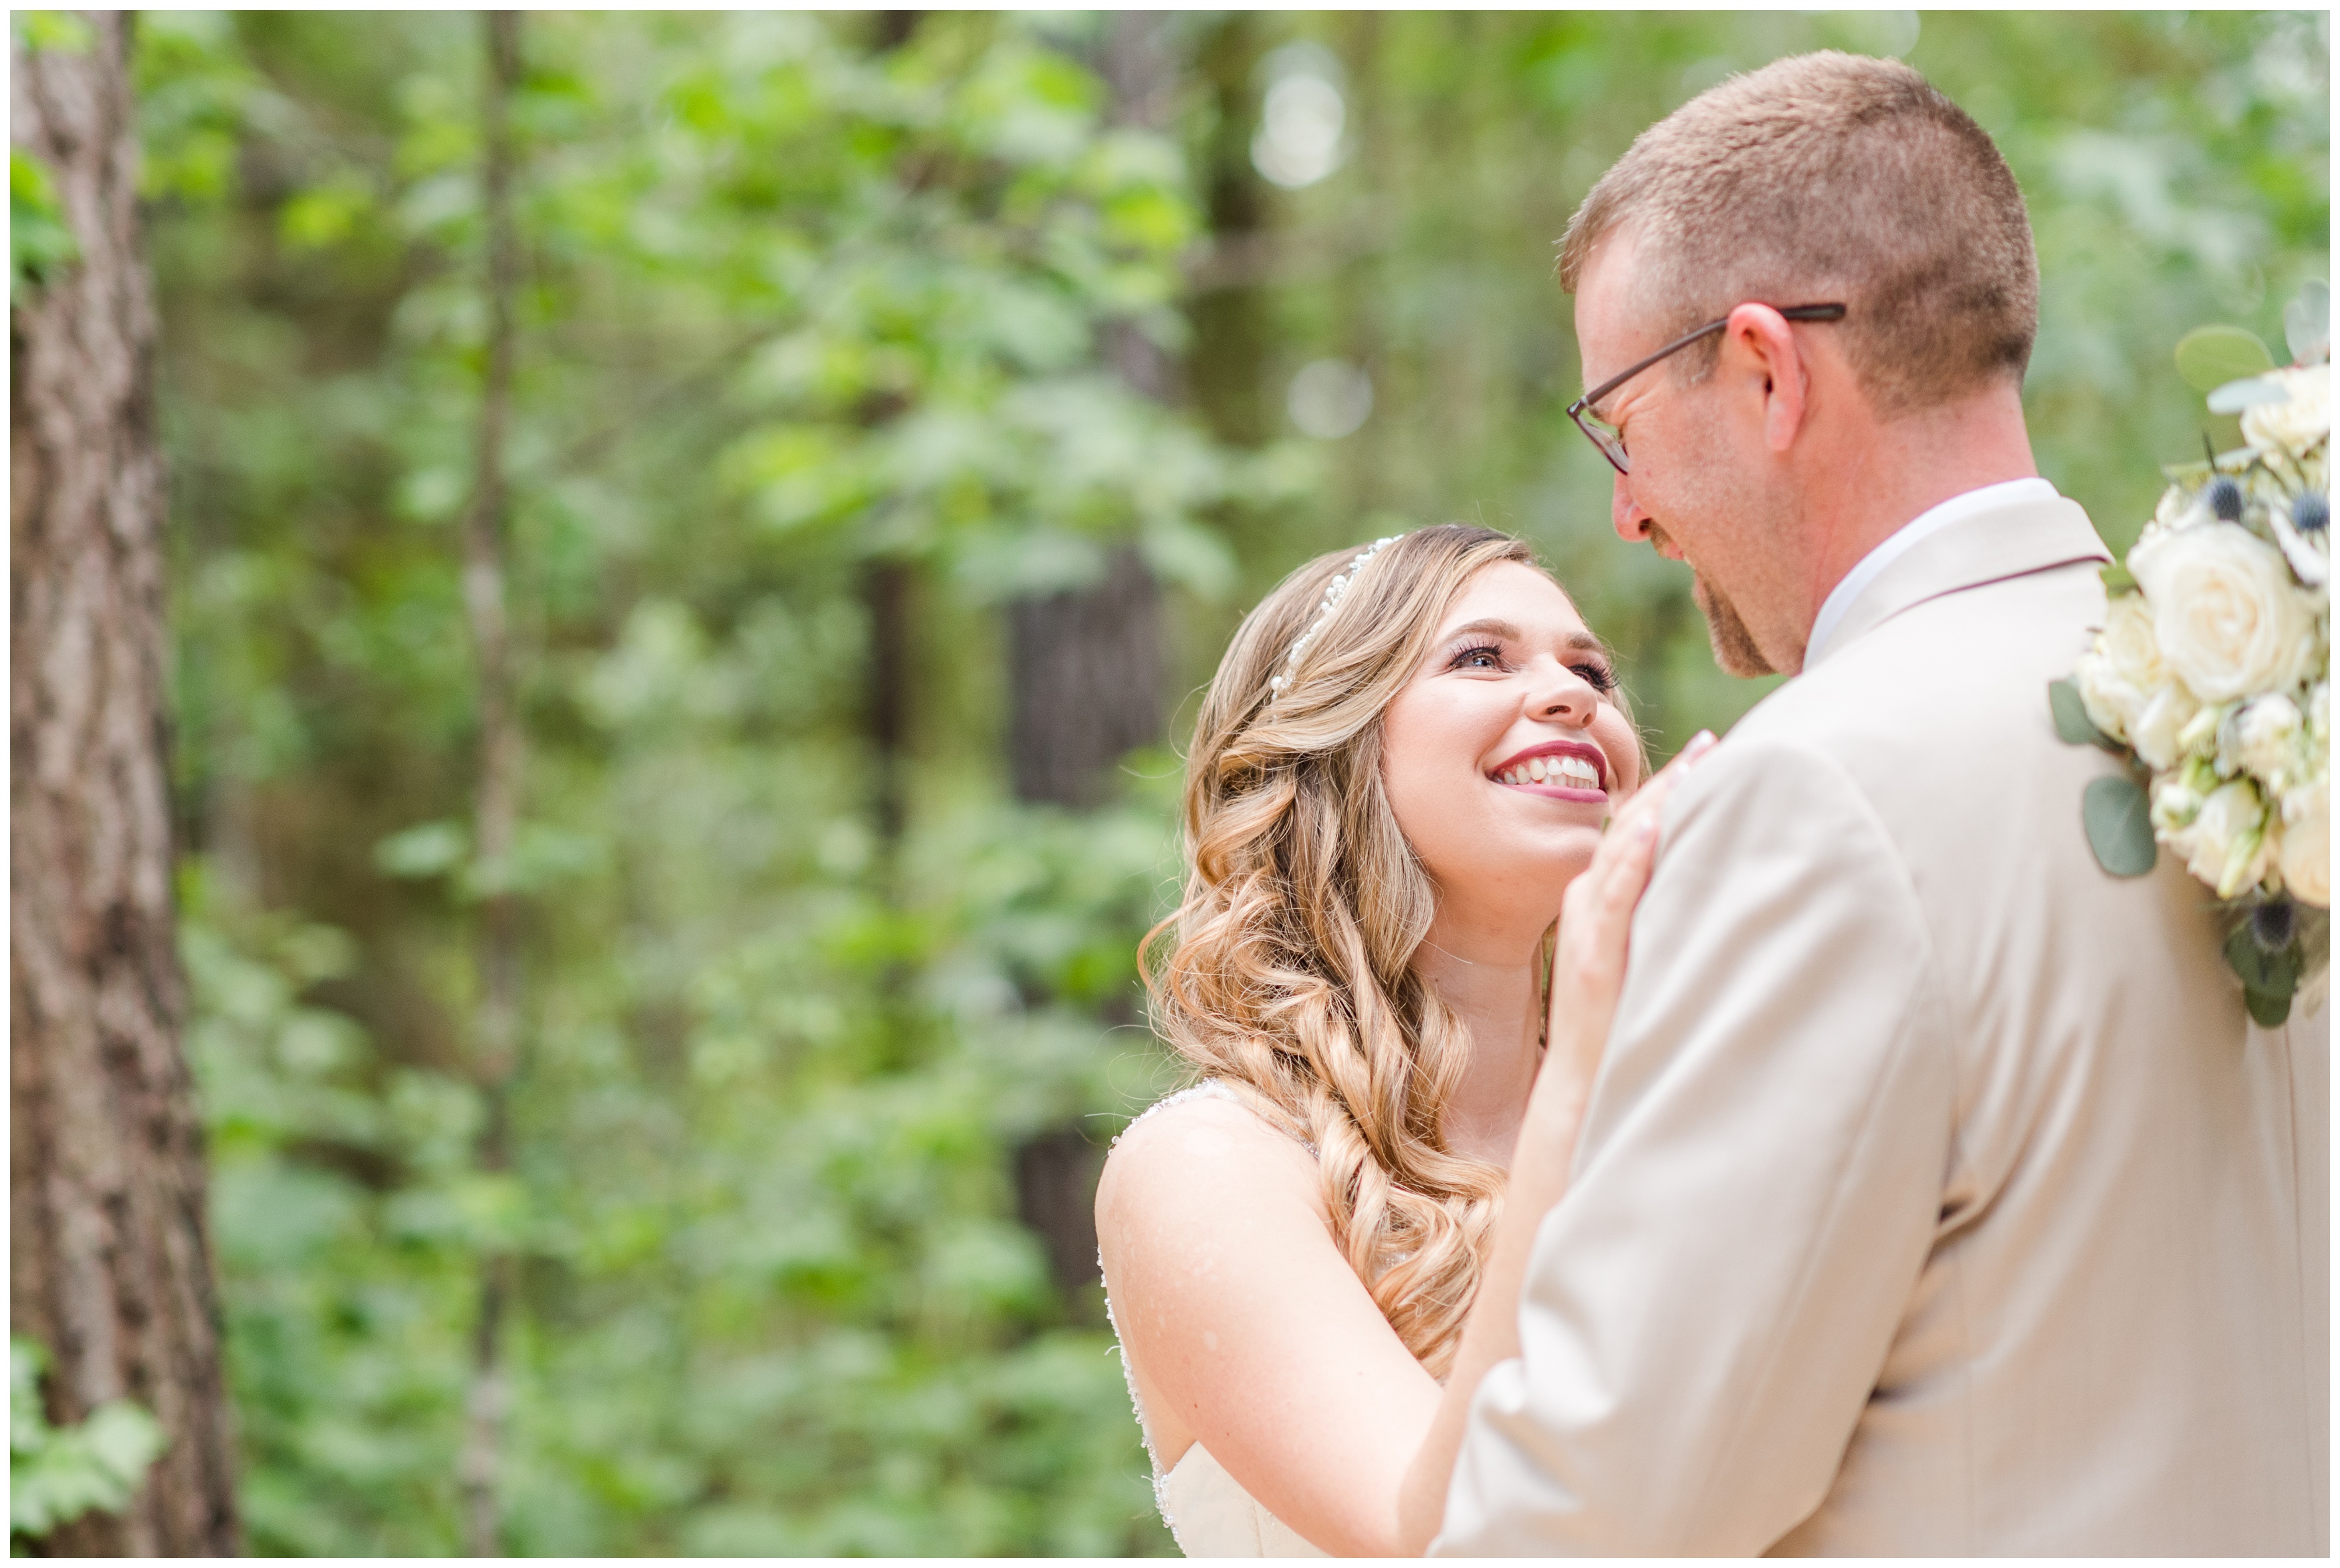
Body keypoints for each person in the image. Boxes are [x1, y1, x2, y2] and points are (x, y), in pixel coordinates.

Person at [1431, 51, 2328, 1555]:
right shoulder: (2264, 717)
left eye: (1620, 426)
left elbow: (1590, 1526)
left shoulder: (1819, 801)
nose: (1628, 511)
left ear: (1768, 372)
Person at [1095, 523, 1714, 1555]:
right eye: (1481, 657)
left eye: (1592, 669)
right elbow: (1438, 1537)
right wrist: (1597, 1031)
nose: (1576, 695)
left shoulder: (1685, 1134)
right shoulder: (1205, 1169)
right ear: (1335, 741)